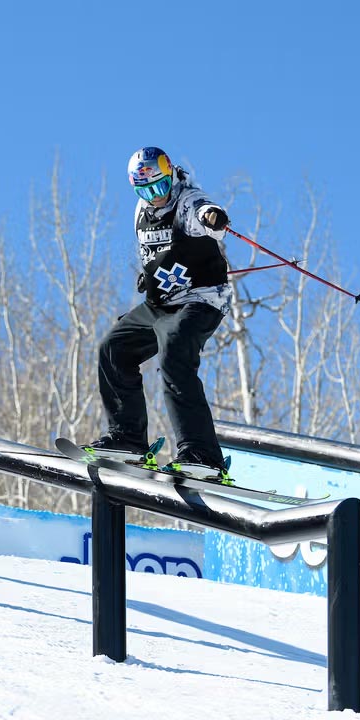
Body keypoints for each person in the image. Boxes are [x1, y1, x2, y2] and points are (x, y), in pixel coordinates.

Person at [86, 146, 233, 481]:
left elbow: (207, 214)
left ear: (170, 176)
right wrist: (147, 273)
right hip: (162, 302)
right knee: (113, 349)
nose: (155, 196)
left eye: (159, 187)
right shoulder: (141, 210)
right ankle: (128, 439)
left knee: (174, 352)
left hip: (201, 298)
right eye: (146, 190)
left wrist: (214, 217)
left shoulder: (187, 200)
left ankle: (202, 454)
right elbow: (153, 251)